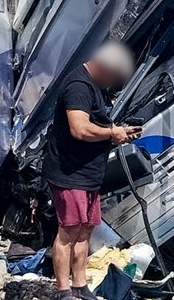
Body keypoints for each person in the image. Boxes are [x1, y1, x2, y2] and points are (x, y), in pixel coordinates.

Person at [43, 41, 140, 300]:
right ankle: (63, 290)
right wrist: (111, 133)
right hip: (70, 173)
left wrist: (118, 131)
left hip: (89, 175)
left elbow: (95, 124)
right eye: (114, 77)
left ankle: (80, 285)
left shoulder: (96, 87)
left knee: (85, 230)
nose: (113, 83)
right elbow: (80, 129)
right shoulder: (79, 86)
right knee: (68, 231)